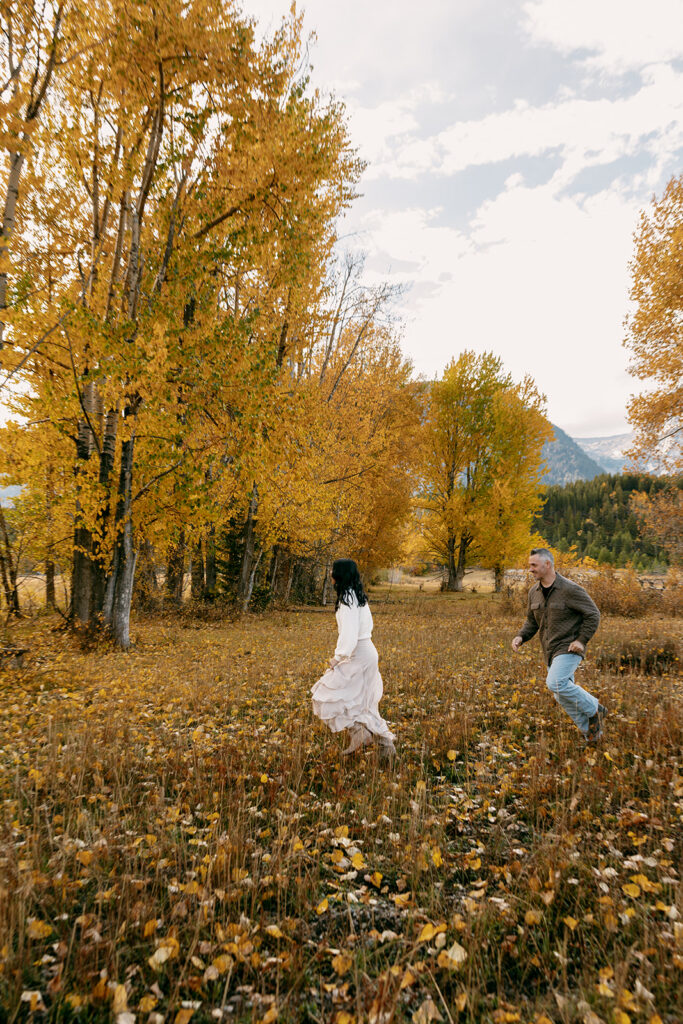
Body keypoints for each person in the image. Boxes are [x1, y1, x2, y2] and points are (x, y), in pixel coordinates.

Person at [511, 548, 607, 742]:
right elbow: (532, 621)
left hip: (569, 647)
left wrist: (581, 640)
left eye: (533, 565)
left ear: (547, 565)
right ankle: (592, 735)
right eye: (530, 565)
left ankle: (595, 708)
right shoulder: (534, 593)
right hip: (550, 650)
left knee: (556, 683)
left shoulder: (570, 590)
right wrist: (521, 637)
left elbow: (593, 614)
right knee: (560, 694)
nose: (530, 569)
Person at [311, 558, 396, 758]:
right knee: (361, 701)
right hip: (365, 652)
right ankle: (383, 745)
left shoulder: (348, 599)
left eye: (333, 570)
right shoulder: (356, 596)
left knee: (325, 695)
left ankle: (362, 734)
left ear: (339, 574)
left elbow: (349, 633)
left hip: (358, 653)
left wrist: (338, 657)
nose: (330, 573)